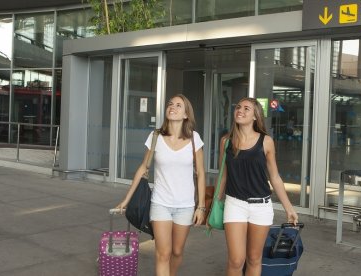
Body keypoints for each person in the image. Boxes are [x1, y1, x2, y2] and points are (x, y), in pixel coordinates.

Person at [116, 94, 206, 276]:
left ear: (186, 114)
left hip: (185, 205)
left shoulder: (194, 138)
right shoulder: (155, 136)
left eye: (179, 105)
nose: (172, 107)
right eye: (170, 104)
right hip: (160, 203)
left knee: (177, 252)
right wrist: (126, 199)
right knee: (163, 253)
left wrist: (201, 206)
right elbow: (143, 168)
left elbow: (201, 173)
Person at [217, 97, 298, 276]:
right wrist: (214, 204)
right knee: (236, 260)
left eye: (246, 108)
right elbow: (223, 175)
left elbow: (275, 177)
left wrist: (288, 208)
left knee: (254, 258)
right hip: (235, 204)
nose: (240, 110)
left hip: (261, 206)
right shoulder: (226, 141)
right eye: (238, 107)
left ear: (255, 116)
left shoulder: (266, 141)